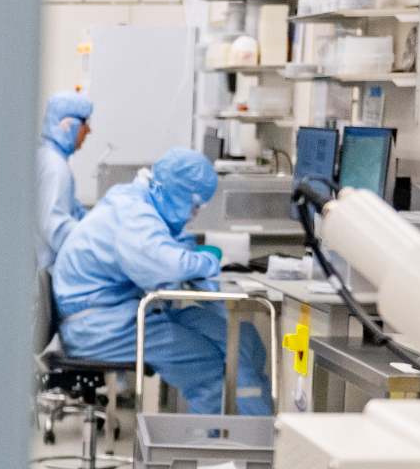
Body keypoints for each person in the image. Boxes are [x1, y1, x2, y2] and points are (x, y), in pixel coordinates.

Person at [52, 148, 272, 416]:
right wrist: (209, 260)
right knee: (206, 365)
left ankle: (256, 439)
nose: (194, 213)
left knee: (240, 338)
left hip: (112, 314)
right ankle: (208, 453)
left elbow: (160, 245)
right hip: (99, 327)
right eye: (195, 206)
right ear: (180, 194)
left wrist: (185, 248)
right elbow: (168, 265)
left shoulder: (134, 198)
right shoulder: (136, 214)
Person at [38, 91, 94, 270]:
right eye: (85, 123)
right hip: (49, 271)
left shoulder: (50, 159)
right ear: (68, 124)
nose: (89, 130)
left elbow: (74, 210)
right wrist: (94, 244)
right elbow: (55, 226)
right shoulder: (55, 167)